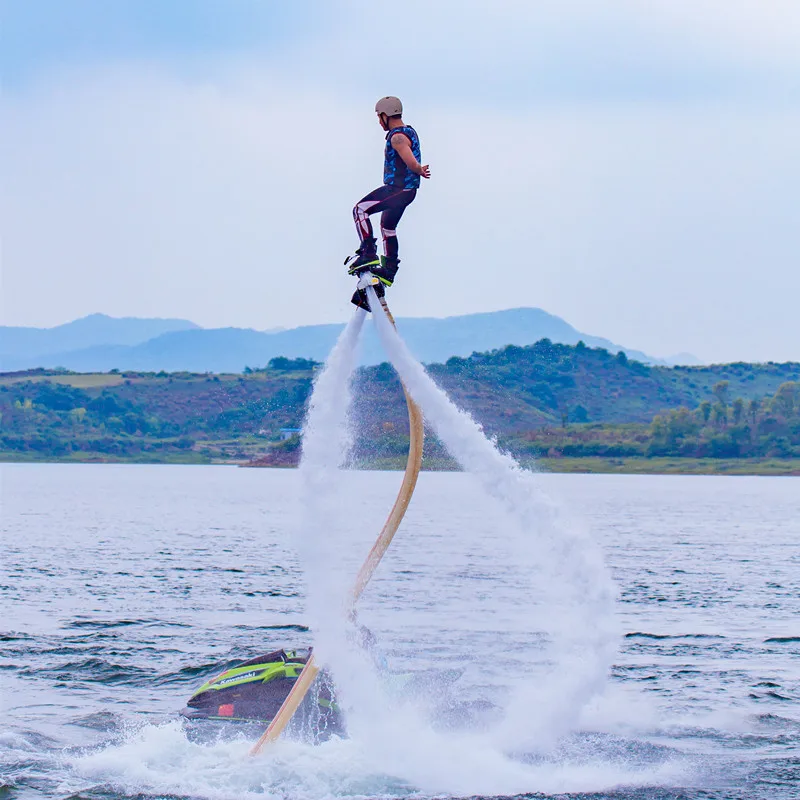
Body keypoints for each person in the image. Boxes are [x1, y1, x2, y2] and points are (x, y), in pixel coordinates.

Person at [345, 96, 430, 308]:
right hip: (408, 191)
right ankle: (389, 271)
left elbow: (409, 159)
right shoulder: (409, 130)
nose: (378, 121)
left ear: (385, 115)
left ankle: (369, 252)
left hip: (398, 190)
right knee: (388, 226)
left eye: (378, 117)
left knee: (360, 210)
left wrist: (418, 168)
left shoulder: (397, 138)